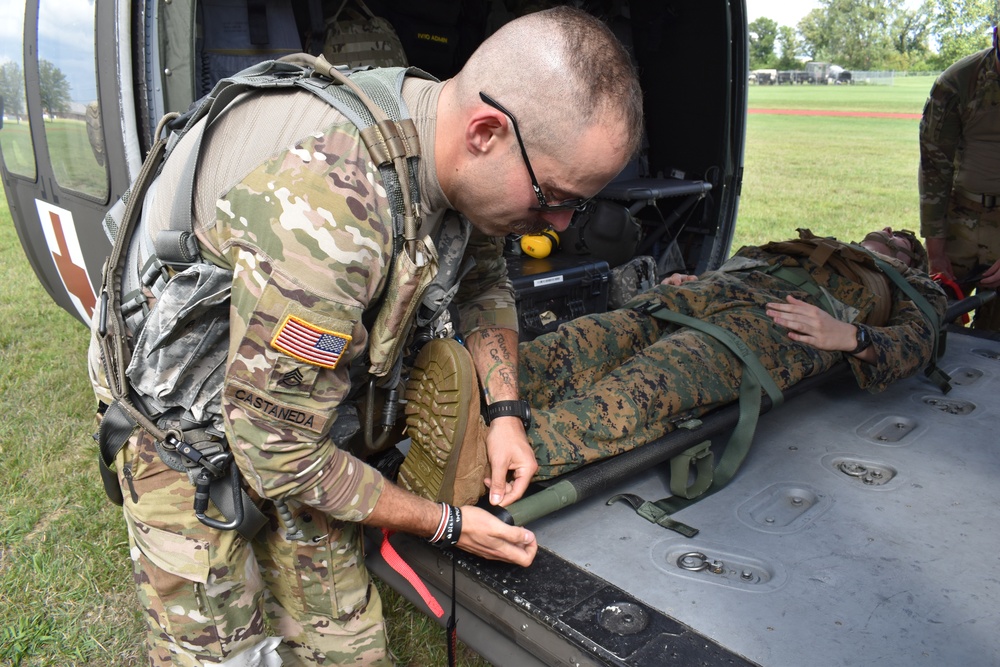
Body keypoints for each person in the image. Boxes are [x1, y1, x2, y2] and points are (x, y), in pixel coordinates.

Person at [86, 7, 644, 665]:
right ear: (488, 131)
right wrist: (447, 524)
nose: (553, 220)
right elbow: (278, 456)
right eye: (552, 195)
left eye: (571, 205)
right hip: (183, 431)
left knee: (348, 647)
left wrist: (505, 415)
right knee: (220, 650)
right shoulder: (332, 214)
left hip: (289, 414)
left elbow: (482, 282)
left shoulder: (445, 134)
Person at [401, 228, 946, 506]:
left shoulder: (910, 285)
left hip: (774, 330)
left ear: (909, 261)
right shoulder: (808, 245)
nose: (897, 231)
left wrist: (846, 337)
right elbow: (739, 261)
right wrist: (694, 280)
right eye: (890, 229)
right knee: (585, 339)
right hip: (705, 297)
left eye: (906, 240)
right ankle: (467, 396)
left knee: (646, 388)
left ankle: (484, 464)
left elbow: (914, 345)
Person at [919, 29, 1000, 331]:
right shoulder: (958, 82)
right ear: (996, 38)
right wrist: (936, 253)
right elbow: (934, 167)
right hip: (959, 221)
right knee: (936, 323)